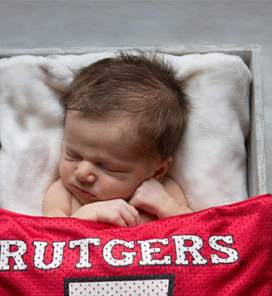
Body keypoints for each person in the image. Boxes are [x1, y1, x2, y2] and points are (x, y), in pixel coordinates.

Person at [42, 52, 193, 226]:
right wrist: (84, 217)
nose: (82, 173)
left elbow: (197, 232)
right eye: (73, 154)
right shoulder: (64, 194)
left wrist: (167, 208)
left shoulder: (164, 193)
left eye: (109, 167)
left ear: (158, 171)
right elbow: (50, 238)